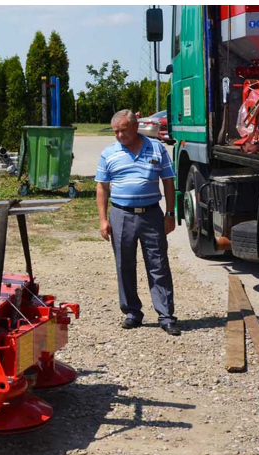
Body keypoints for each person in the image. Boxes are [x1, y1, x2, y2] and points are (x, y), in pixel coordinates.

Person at [95, 109, 180, 336]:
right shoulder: (109, 153)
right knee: (124, 264)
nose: (119, 136)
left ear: (135, 127)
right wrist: (103, 219)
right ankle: (132, 312)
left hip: (152, 214)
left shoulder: (157, 148)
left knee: (158, 264)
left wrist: (170, 213)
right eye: (115, 132)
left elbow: (168, 181)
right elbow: (102, 187)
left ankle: (166, 315)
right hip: (121, 215)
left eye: (123, 130)